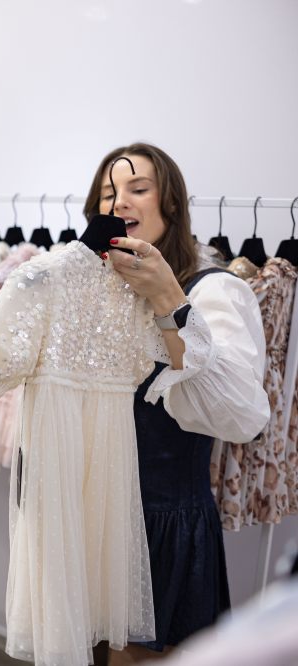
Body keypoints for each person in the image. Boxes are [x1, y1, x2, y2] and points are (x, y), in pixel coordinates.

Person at [83, 144, 270, 663]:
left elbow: (241, 418)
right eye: (108, 194)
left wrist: (169, 300)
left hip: (162, 527)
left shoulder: (215, 292)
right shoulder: (97, 291)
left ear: (171, 203)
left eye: (138, 189)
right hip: (96, 515)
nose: (120, 203)